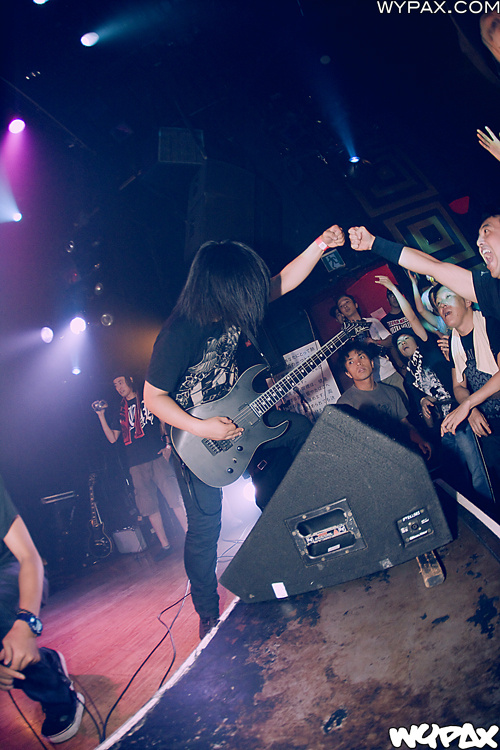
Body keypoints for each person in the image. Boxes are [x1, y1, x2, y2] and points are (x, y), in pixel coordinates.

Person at [144, 226, 345, 638]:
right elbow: (153, 398)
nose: (254, 298)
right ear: (222, 289)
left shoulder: (236, 306)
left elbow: (285, 280)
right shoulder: (180, 331)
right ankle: (207, 613)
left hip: (243, 420)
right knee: (206, 529)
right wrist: (202, 426)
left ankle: (299, 517)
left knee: (301, 430)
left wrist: (322, 243)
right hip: (197, 441)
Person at [0, 474, 84, 743]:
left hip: (10, 569)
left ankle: (59, 697)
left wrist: (27, 625)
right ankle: (46, 659)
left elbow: (29, 557)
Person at [393, 327, 493, 504]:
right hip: (444, 426)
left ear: (416, 339)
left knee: (476, 467)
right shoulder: (410, 377)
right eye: (399, 343)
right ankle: (471, 507)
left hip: (461, 415)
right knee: (457, 471)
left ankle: (488, 506)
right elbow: (428, 421)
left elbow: (417, 323)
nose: (403, 344)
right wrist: (424, 403)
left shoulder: (430, 353)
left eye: (406, 338)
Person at [94, 374, 187, 560]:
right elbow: (112, 438)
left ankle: (191, 536)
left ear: (129, 380)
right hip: (135, 464)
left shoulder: (147, 398)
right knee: (148, 506)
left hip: (157, 456)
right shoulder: (119, 410)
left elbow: (163, 420)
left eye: (120, 382)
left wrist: (168, 445)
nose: (118, 387)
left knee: (174, 498)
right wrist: (101, 416)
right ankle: (165, 545)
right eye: (115, 385)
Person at [348, 219, 500, 326]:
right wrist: (374, 244)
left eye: (486, 231)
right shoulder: (492, 289)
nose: (479, 242)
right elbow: (433, 267)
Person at [336, 344, 432, 460]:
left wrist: (420, 440)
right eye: (351, 362)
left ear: (372, 363)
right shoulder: (345, 403)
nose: (358, 363)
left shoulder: (391, 392)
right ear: (348, 373)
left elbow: (405, 424)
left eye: (361, 357)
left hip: (401, 455)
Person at [335, 292, 407, 396]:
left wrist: (374, 342)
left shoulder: (372, 322)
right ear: (341, 313)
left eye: (347, 302)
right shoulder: (344, 335)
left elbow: (390, 341)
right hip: (370, 382)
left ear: (355, 305)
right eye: (341, 306)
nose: (345, 306)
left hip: (388, 372)